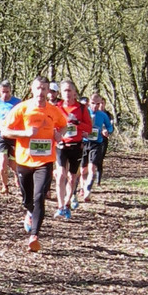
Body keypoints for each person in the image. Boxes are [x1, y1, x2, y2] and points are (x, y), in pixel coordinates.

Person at [1, 76, 67, 252]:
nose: (41, 92)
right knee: (27, 199)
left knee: (39, 197)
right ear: (32, 89)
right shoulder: (22, 108)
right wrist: (25, 134)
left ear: (48, 91)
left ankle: (34, 236)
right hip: (24, 160)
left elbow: (63, 125)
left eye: (44, 88)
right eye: (38, 88)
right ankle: (29, 212)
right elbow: (5, 130)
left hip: (45, 161)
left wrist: (59, 135)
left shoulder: (53, 110)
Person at [55, 80, 93, 218]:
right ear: (61, 92)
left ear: (75, 93)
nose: (67, 93)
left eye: (70, 90)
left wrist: (77, 123)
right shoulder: (56, 107)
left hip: (76, 145)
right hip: (61, 145)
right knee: (60, 174)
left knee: (72, 177)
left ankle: (67, 204)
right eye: (65, 90)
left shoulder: (81, 108)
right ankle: (60, 205)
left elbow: (89, 128)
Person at [0, 80, 21, 194]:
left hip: (13, 136)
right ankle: (5, 186)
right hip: (0, 135)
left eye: (7, 92)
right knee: (3, 162)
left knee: (13, 164)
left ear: (11, 91)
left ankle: (16, 174)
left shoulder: (17, 102)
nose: (5, 94)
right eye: (3, 92)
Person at [81, 93, 114, 201]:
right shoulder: (84, 112)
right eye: (93, 103)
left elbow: (110, 127)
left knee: (92, 168)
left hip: (96, 143)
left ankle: (87, 190)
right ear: (89, 103)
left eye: (98, 104)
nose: (95, 106)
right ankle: (83, 186)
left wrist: (107, 131)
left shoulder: (103, 115)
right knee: (83, 170)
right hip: (84, 143)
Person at [96, 96, 114, 184]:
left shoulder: (109, 115)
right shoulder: (92, 113)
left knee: (100, 159)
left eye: (102, 103)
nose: (101, 105)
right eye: (99, 103)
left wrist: (108, 131)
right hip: (93, 139)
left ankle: (98, 180)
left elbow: (111, 128)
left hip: (103, 140)